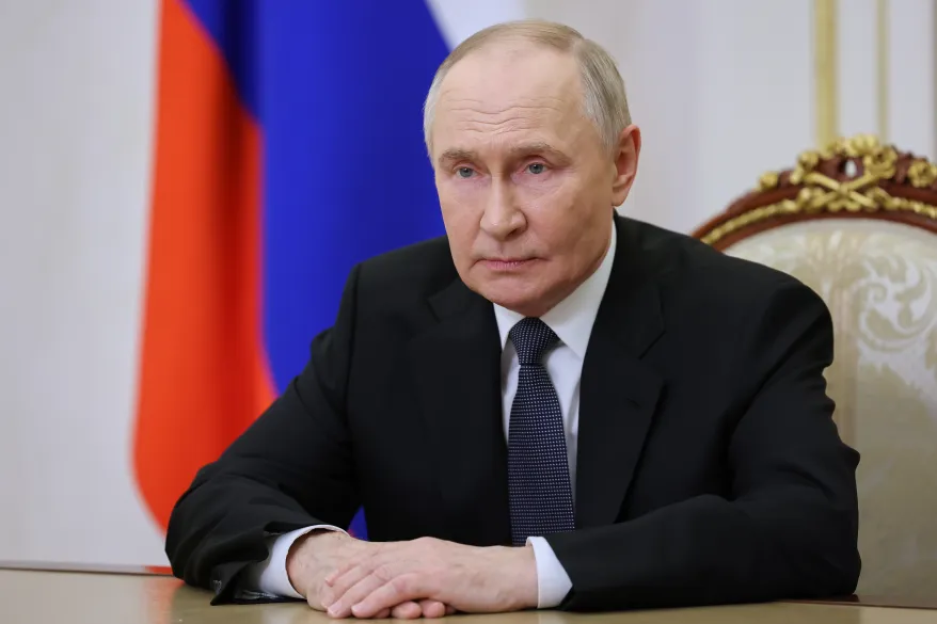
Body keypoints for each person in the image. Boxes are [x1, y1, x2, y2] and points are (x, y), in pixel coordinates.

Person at [165, 19, 861, 617]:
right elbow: (216, 503)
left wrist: (520, 573)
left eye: (535, 167)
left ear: (620, 165)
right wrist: (317, 559)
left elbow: (810, 532)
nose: (498, 220)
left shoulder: (746, 317)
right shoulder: (386, 308)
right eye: (464, 171)